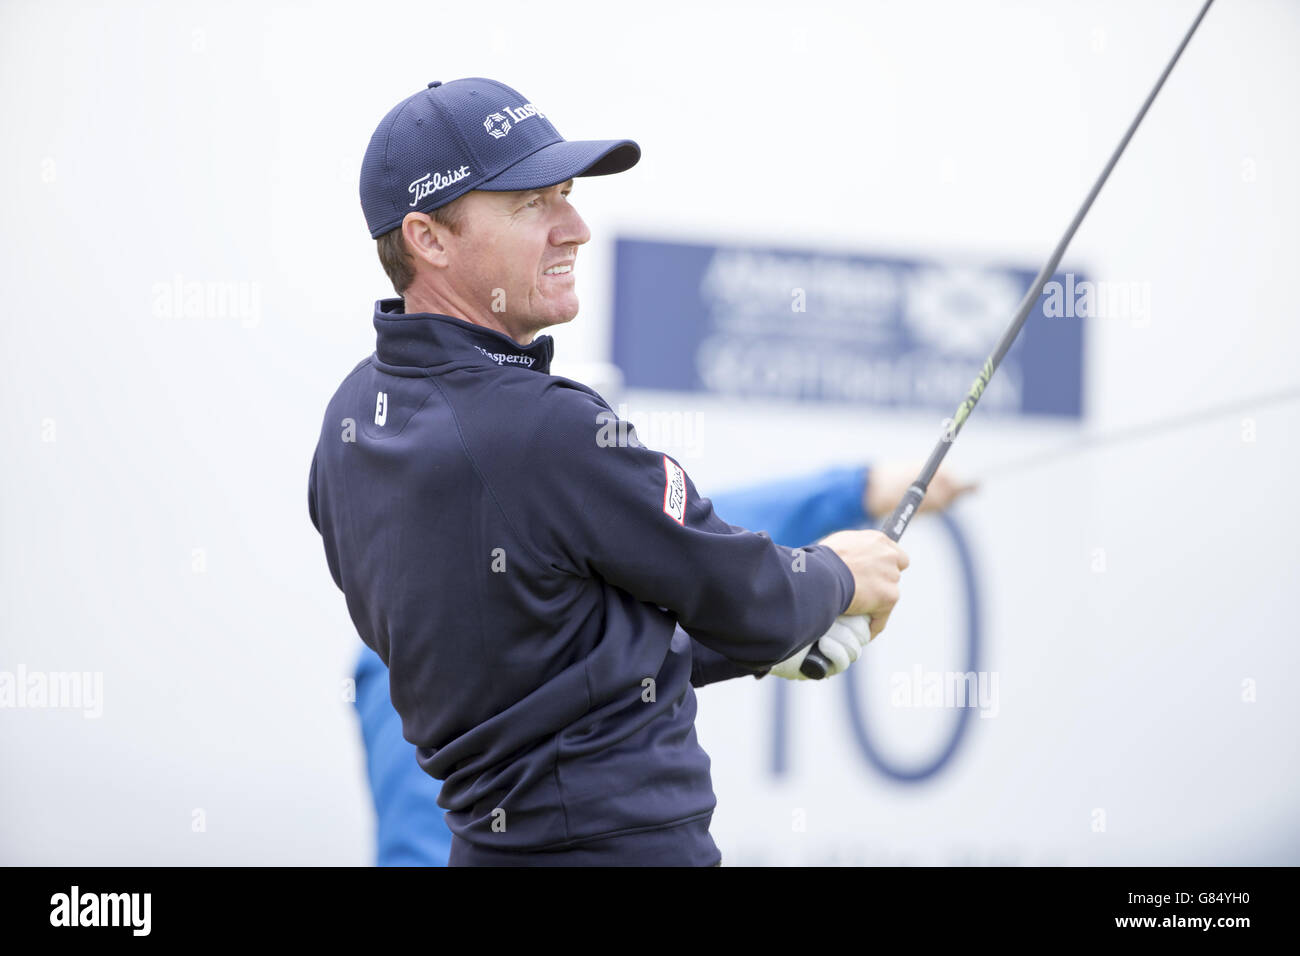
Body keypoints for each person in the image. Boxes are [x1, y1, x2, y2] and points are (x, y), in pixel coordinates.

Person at [309, 77, 914, 866]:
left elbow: (547, 645)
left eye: (567, 194)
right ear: (427, 237)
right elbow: (746, 595)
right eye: (533, 204)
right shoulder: (540, 427)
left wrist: (774, 638)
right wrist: (837, 575)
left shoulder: (351, 420)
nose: (576, 228)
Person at [352, 462, 975, 866]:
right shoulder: (416, 645)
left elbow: (695, 546)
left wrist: (854, 495)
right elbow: (418, 843)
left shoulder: (524, 556)